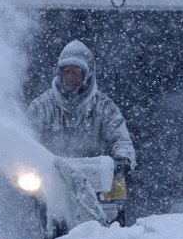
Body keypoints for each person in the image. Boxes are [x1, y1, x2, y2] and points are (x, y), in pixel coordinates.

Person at [26, 39, 136, 177]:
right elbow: (27, 134)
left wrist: (123, 157)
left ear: (87, 74)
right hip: (50, 179)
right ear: (59, 73)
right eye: (66, 71)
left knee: (118, 189)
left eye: (76, 72)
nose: (70, 77)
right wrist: (27, 158)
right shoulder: (42, 105)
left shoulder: (104, 107)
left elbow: (120, 138)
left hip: (98, 178)